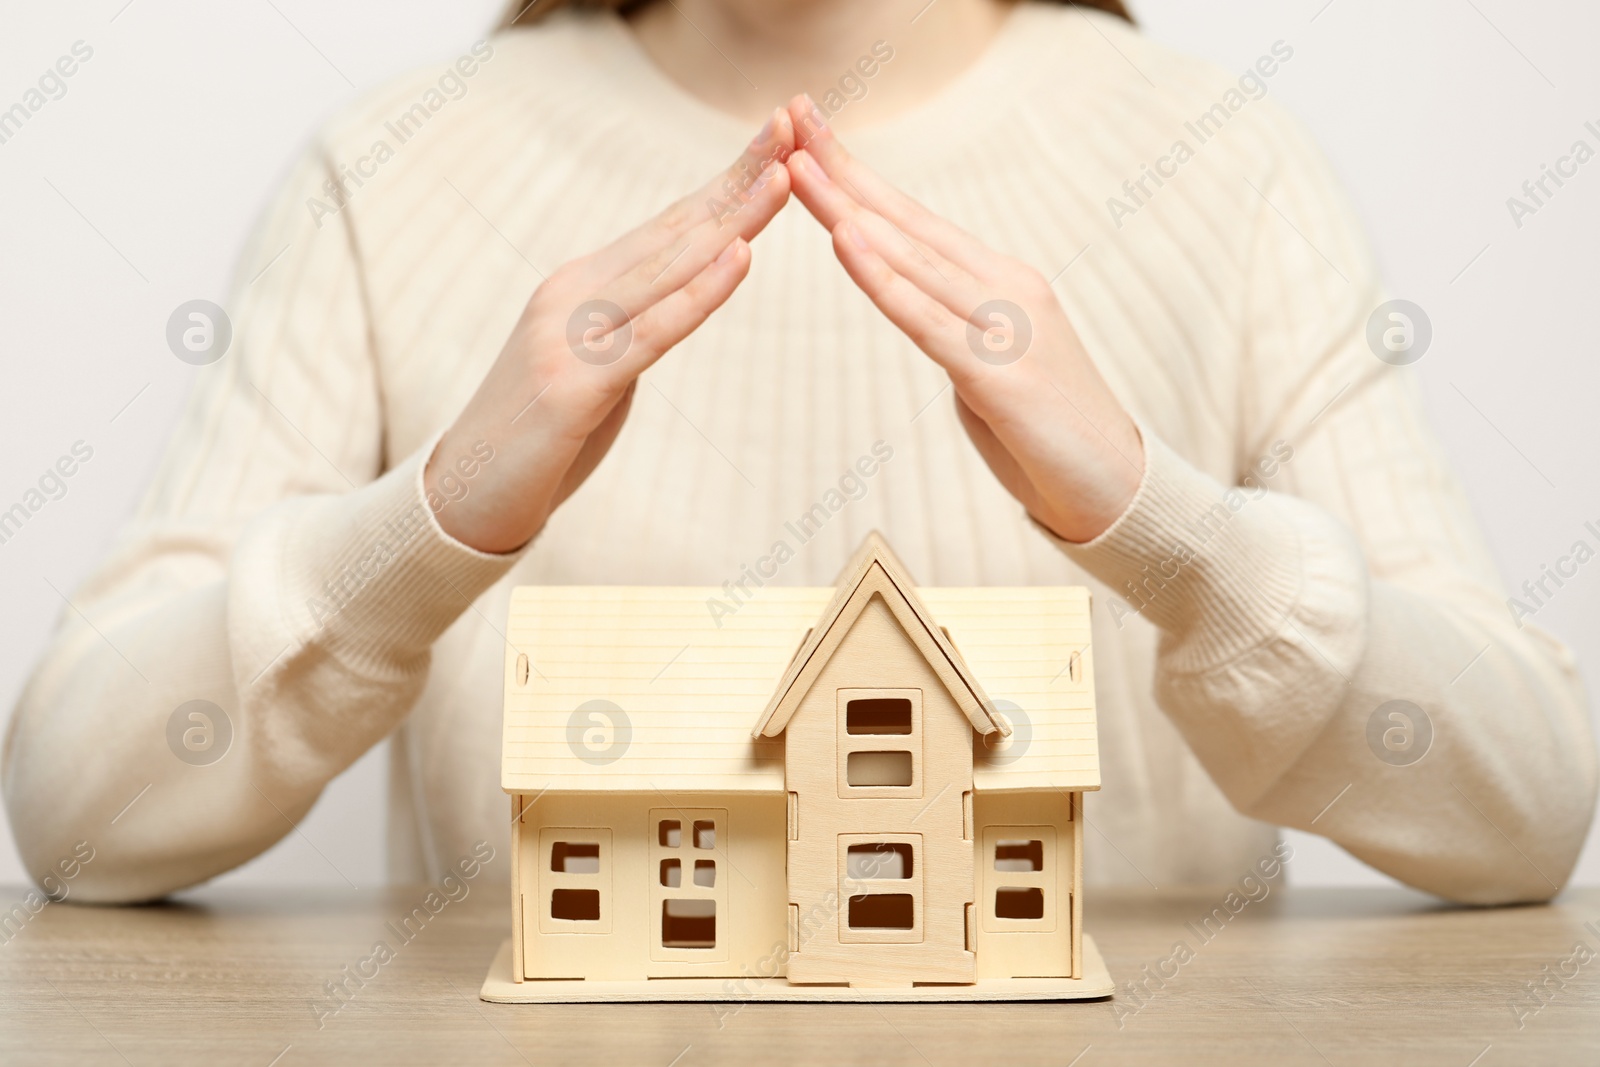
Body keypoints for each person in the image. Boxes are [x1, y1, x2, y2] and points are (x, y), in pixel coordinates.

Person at [5, 0, 1593, 905]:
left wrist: (1156, 521)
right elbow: (77, 815)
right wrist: (429, 526)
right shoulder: (393, 169)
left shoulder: (1227, 162)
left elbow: (1526, 812)